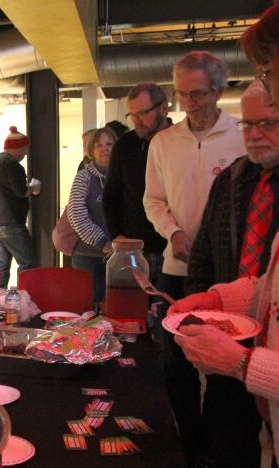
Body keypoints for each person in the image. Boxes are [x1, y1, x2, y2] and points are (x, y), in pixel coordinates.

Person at [170, 7, 279, 463]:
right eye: (249, 125)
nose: (255, 135)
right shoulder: (234, 180)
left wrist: (241, 362)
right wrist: (214, 301)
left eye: (268, 122)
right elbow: (262, 284)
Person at [143, 50, 246, 466]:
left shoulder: (241, 135)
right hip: (177, 269)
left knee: (224, 371)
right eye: (183, 94)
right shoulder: (164, 142)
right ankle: (189, 446)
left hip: (229, 275)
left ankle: (219, 448)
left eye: (199, 94)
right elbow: (153, 201)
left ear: (219, 90)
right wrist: (174, 232)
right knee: (176, 365)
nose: (190, 103)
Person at [103, 83, 170, 286]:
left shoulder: (181, 142)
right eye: (131, 115)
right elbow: (111, 195)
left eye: (142, 113)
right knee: (132, 313)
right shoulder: (125, 146)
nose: (136, 121)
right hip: (135, 251)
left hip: (173, 250)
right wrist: (117, 235)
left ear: (164, 108)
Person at [0, 126, 40, 289]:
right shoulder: (12, 165)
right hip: (10, 222)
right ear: (19, 147)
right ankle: (26, 298)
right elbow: (20, 191)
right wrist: (34, 187)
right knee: (27, 263)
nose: (25, 153)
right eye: (25, 149)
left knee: (2, 263)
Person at [68, 126, 116, 303]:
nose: (105, 148)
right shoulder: (84, 177)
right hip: (87, 256)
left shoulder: (123, 175)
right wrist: (103, 242)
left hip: (118, 256)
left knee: (112, 306)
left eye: (109, 144)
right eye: (99, 145)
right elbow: (76, 215)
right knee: (86, 306)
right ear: (91, 151)